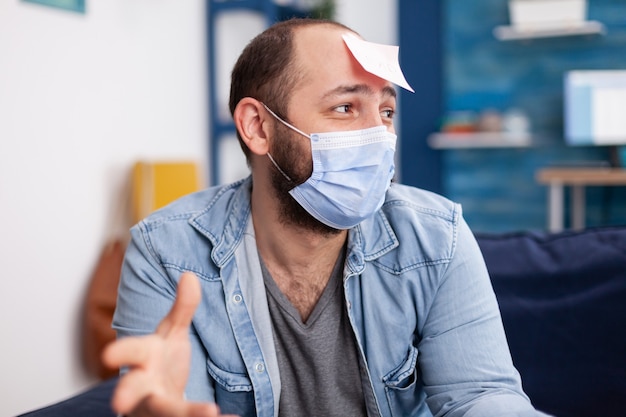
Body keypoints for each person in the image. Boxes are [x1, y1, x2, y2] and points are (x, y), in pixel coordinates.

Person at [103, 18, 551, 417]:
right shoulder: (165, 252)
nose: (378, 135)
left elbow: (481, 396)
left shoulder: (438, 236)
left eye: (387, 112)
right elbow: (170, 402)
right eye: (345, 108)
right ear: (258, 127)